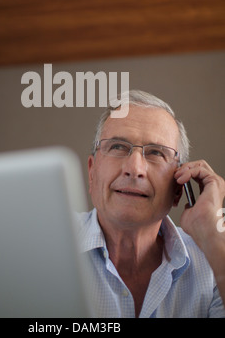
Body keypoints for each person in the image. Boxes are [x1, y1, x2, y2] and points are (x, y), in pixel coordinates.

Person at [78, 90, 225, 318]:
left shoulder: (214, 262)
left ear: (178, 188)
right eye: (117, 146)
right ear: (92, 172)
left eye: (156, 152)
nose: (134, 169)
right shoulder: (42, 245)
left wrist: (214, 237)